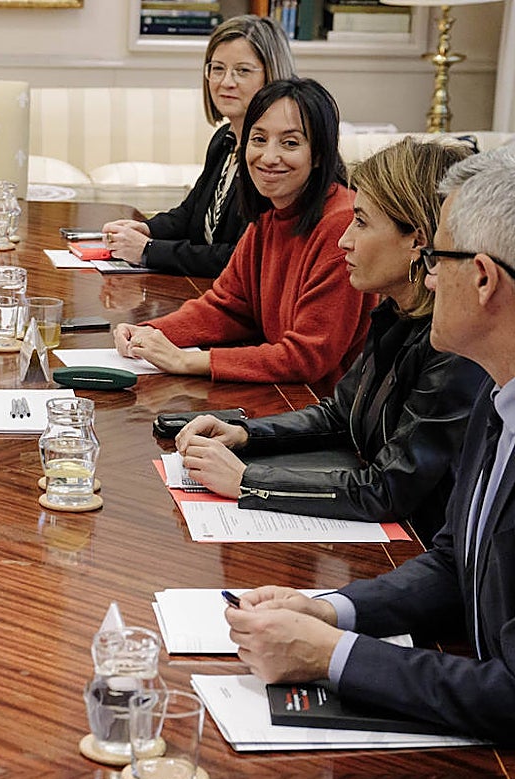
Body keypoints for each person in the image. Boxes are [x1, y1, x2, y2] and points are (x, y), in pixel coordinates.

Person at [225, 146, 515, 743]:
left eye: (438, 259)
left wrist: (331, 655)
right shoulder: (498, 394)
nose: (429, 276)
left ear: (483, 277)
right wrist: (330, 610)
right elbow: (452, 562)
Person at [175, 138, 486, 544]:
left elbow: (388, 489)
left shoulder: (455, 349)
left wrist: (249, 481)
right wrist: (245, 434)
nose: (345, 241)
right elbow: (342, 414)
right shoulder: (396, 310)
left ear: (417, 239)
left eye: (361, 222)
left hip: (415, 554)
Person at [114, 78, 374, 394]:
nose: (268, 156)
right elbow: (229, 306)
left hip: (322, 408)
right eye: (258, 139)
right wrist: (151, 332)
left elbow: (307, 357)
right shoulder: (269, 214)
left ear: (319, 154)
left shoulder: (342, 225)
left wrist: (185, 361)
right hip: (282, 392)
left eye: (290, 143)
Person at [102, 16, 294, 278]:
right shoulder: (224, 140)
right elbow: (190, 213)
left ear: (271, 75)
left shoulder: (272, 160)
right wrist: (146, 230)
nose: (226, 81)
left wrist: (148, 250)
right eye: (217, 69)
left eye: (243, 70)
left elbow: (240, 256)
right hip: (203, 291)